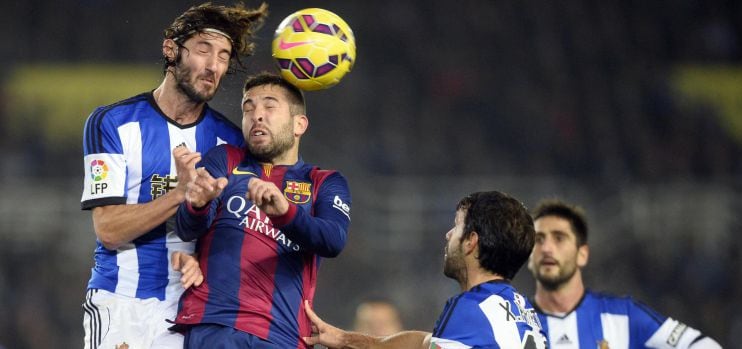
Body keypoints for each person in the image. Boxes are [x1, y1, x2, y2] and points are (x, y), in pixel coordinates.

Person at [79, 3, 268, 348]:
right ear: (171, 48)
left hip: (190, 308)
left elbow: (228, 235)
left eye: (224, 56)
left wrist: (199, 258)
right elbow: (108, 230)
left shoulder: (230, 142)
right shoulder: (112, 123)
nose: (213, 66)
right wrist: (181, 193)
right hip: (120, 301)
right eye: (203, 49)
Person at [170, 72, 352, 348]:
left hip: (283, 335)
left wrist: (284, 212)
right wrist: (198, 203)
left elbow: (332, 240)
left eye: (269, 106)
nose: (257, 115)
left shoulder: (323, 181)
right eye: (248, 108)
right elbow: (187, 228)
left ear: (299, 124)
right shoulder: (225, 159)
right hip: (216, 326)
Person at [304, 191, 548, 349]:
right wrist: (345, 339)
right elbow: (423, 343)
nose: (448, 235)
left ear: (471, 241)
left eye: (456, 226)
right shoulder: (520, 310)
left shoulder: (472, 311)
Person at [527, 199, 722, 348]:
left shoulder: (623, 315)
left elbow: (702, 345)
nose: (547, 248)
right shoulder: (510, 320)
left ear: (582, 254)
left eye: (559, 238)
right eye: (539, 239)